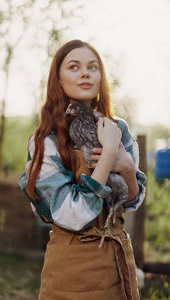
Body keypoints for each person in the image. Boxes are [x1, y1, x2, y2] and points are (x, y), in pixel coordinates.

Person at [19, 39, 146, 300]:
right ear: (58, 79)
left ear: (101, 77)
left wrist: (129, 170)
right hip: (72, 268)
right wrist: (109, 155)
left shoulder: (117, 129)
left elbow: (131, 202)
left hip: (119, 262)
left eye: (93, 67)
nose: (85, 73)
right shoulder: (46, 139)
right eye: (74, 67)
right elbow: (72, 215)